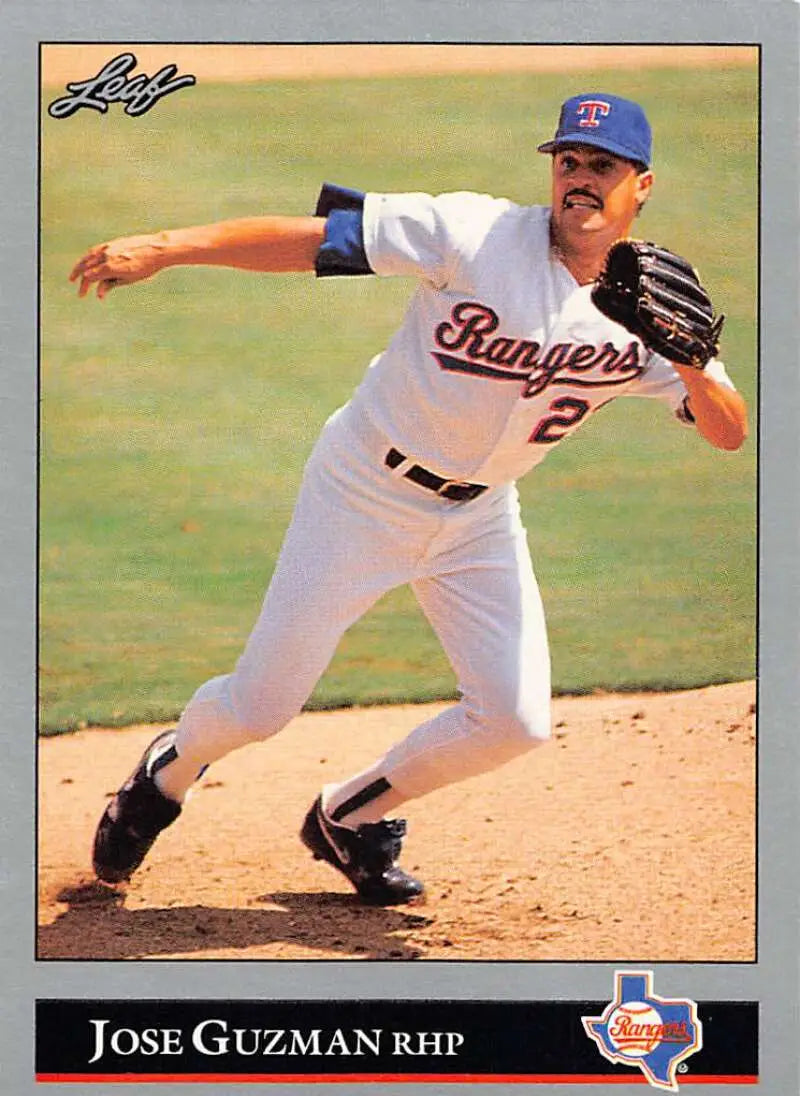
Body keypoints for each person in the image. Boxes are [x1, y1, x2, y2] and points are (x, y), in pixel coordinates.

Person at [70, 93, 748, 905]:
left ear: (642, 184)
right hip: (362, 490)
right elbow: (317, 241)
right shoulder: (475, 232)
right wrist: (170, 247)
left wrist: (692, 363)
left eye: (600, 166)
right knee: (259, 708)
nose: (578, 179)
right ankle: (166, 773)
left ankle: (349, 818)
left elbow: (726, 432)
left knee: (515, 722)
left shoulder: (652, 303)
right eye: (567, 160)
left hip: (479, 517)